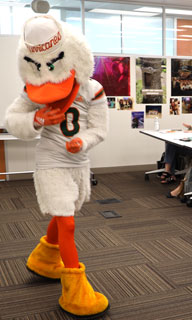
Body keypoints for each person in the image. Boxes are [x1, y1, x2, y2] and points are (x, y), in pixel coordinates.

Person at [5, 15, 109, 317]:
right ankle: (75, 294)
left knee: (67, 214)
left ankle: (43, 259)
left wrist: (83, 142)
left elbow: (99, 130)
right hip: (50, 162)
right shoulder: (33, 89)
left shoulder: (92, 89)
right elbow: (12, 120)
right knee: (68, 222)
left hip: (78, 163)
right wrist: (37, 119)